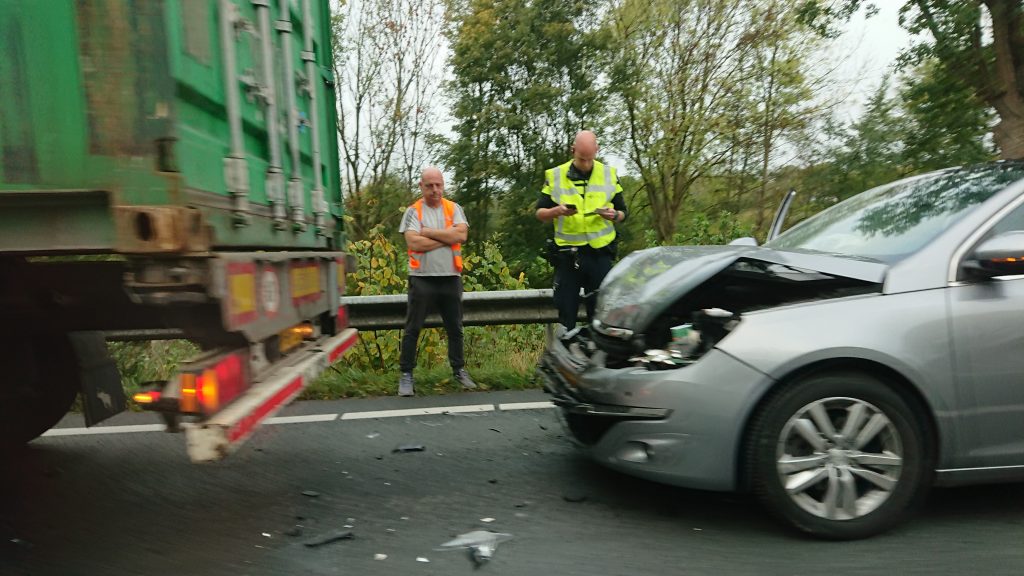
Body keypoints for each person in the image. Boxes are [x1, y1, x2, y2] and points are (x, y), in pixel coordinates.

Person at [397, 167, 477, 397]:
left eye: (438, 185)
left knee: (455, 328)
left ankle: (459, 370)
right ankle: (406, 375)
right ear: (421, 186)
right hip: (422, 278)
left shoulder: (454, 208)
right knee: (413, 329)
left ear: (443, 184)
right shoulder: (413, 211)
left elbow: (461, 236)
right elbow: (414, 243)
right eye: (429, 185)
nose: (435, 189)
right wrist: (446, 237)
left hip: (450, 278)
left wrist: (428, 232)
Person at [535, 130, 627, 329]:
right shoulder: (555, 175)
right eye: (581, 158)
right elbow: (540, 213)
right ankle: (568, 346)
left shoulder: (609, 174)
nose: (585, 164)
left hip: (600, 254)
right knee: (566, 313)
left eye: (589, 158)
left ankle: (599, 347)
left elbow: (623, 213)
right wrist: (557, 211)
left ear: (597, 150)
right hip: (569, 256)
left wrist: (613, 215)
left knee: (601, 315)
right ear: (573, 150)